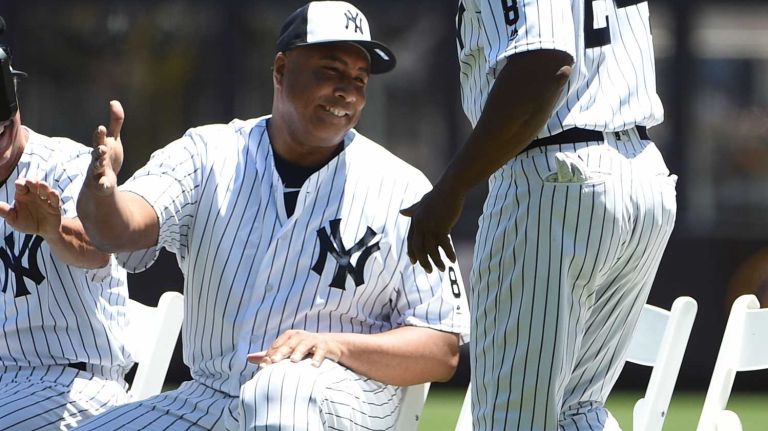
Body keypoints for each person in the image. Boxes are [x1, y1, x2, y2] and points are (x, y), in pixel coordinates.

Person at [75, 2, 469, 430]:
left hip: (341, 399)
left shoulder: (404, 188)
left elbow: (441, 347)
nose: (348, 92)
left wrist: (334, 346)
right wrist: (102, 194)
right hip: (212, 397)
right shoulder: (208, 154)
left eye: (359, 78)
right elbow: (121, 228)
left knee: (282, 388)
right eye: (330, 70)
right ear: (281, 70)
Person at [402, 0, 677, 429]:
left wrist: (452, 188)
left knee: (512, 418)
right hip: (641, 172)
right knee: (577, 410)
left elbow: (545, 62)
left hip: (556, 174)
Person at [0, 18, 132, 431]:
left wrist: (54, 231)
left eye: (4, 127)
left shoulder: (64, 164)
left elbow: (97, 246)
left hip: (77, 384)